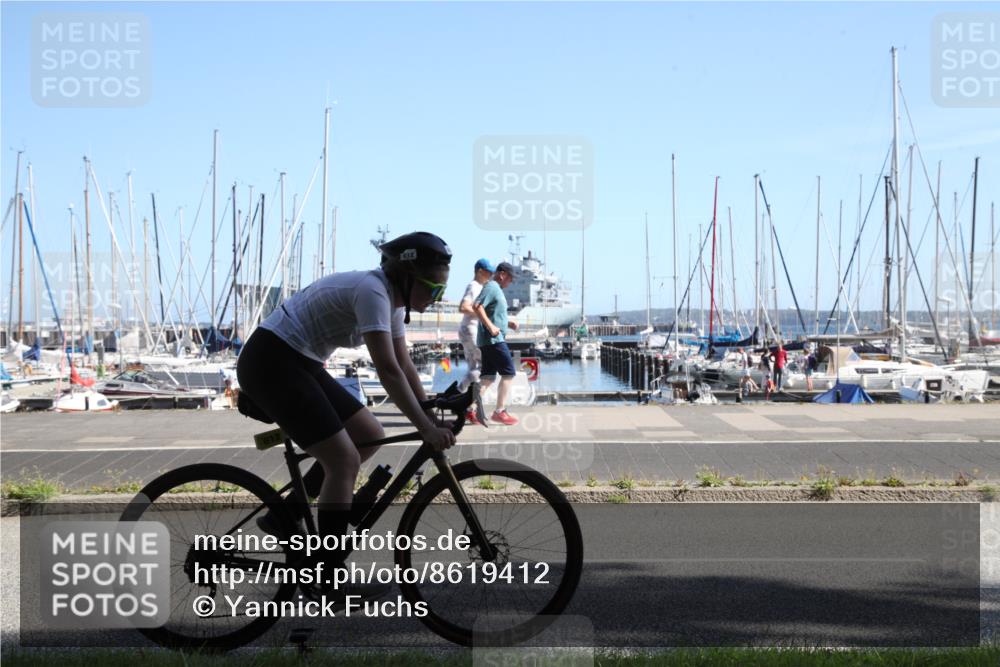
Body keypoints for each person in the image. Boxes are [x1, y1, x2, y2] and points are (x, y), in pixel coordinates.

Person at [236, 231, 456, 598]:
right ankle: (328, 576)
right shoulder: (373, 293)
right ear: (407, 276)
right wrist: (424, 427)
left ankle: (284, 515)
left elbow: (404, 363)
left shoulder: (393, 302)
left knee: (370, 434)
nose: (436, 299)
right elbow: (388, 371)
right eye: (433, 289)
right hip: (271, 361)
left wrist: (430, 415)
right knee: (343, 460)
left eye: (441, 292)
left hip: (300, 361)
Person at [473, 261, 519, 425]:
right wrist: (491, 327)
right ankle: (499, 412)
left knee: (488, 377)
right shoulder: (492, 287)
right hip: (494, 340)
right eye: (510, 278)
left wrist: (508, 323)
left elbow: (493, 314)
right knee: (509, 373)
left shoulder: (496, 289)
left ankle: (470, 410)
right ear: (502, 274)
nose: (511, 282)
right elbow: (477, 306)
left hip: (489, 340)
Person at [457, 258, 495, 421]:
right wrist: (481, 314)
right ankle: (469, 405)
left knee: (473, 369)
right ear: (480, 271)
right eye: (489, 272)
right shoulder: (474, 286)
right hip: (471, 330)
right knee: (485, 367)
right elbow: (463, 307)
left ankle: (457, 397)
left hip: (468, 330)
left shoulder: (480, 287)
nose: (491, 275)